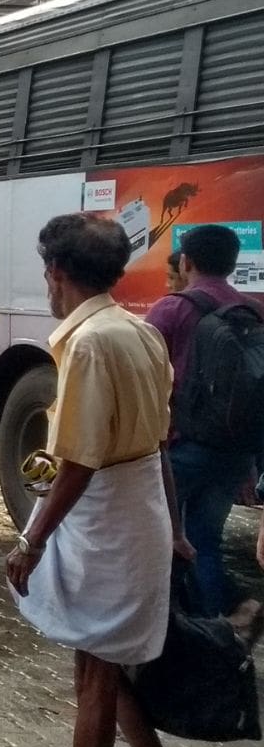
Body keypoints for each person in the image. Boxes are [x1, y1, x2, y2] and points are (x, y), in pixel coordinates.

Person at [7, 213, 183, 747]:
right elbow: (159, 446)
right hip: (140, 518)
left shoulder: (87, 343)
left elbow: (79, 464)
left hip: (106, 531)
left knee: (94, 678)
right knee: (99, 664)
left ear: (55, 271)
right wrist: (174, 528)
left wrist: (30, 541)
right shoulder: (142, 331)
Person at [144, 224, 259, 613]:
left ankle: (162, 630)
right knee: (205, 539)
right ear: (231, 263)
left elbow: (141, 377)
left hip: (181, 447)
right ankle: (213, 633)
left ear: (187, 261)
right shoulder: (252, 310)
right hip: (234, 450)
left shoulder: (171, 308)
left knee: (153, 537)